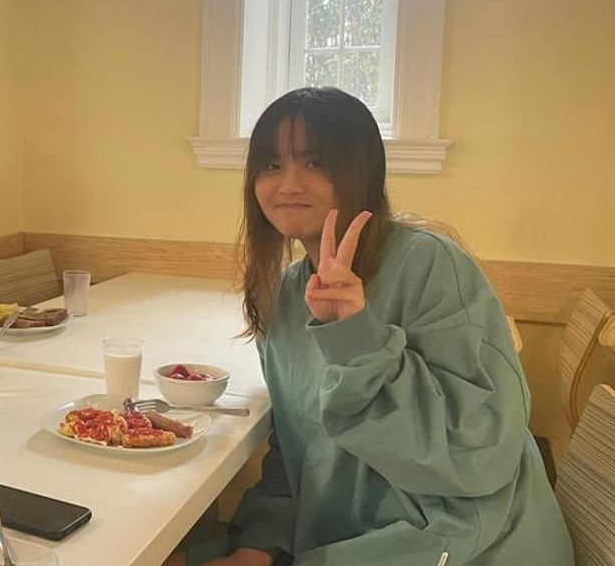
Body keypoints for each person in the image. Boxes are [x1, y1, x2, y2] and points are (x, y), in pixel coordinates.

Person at [197, 87, 572, 566]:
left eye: (314, 163)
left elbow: (478, 448)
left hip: (463, 540)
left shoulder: (430, 264)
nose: (287, 184)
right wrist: (260, 544)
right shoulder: (287, 294)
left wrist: (357, 339)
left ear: (362, 173)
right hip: (347, 535)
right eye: (271, 165)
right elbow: (297, 449)